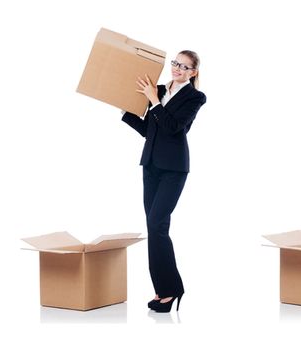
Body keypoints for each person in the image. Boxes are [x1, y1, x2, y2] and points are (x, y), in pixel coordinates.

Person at [121, 50, 206, 313]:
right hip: (151, 166)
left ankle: (170, 290)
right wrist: (127, 112)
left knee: (157, 224)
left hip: (174, 169)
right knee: (155, 228)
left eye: (184, 66)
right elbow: (151, 130)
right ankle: (163, 290)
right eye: (175, 63)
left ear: (193, 72)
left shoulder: (195, 97)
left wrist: (154, 102)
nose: (177, 68)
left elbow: (173, 128)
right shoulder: (157, 89)